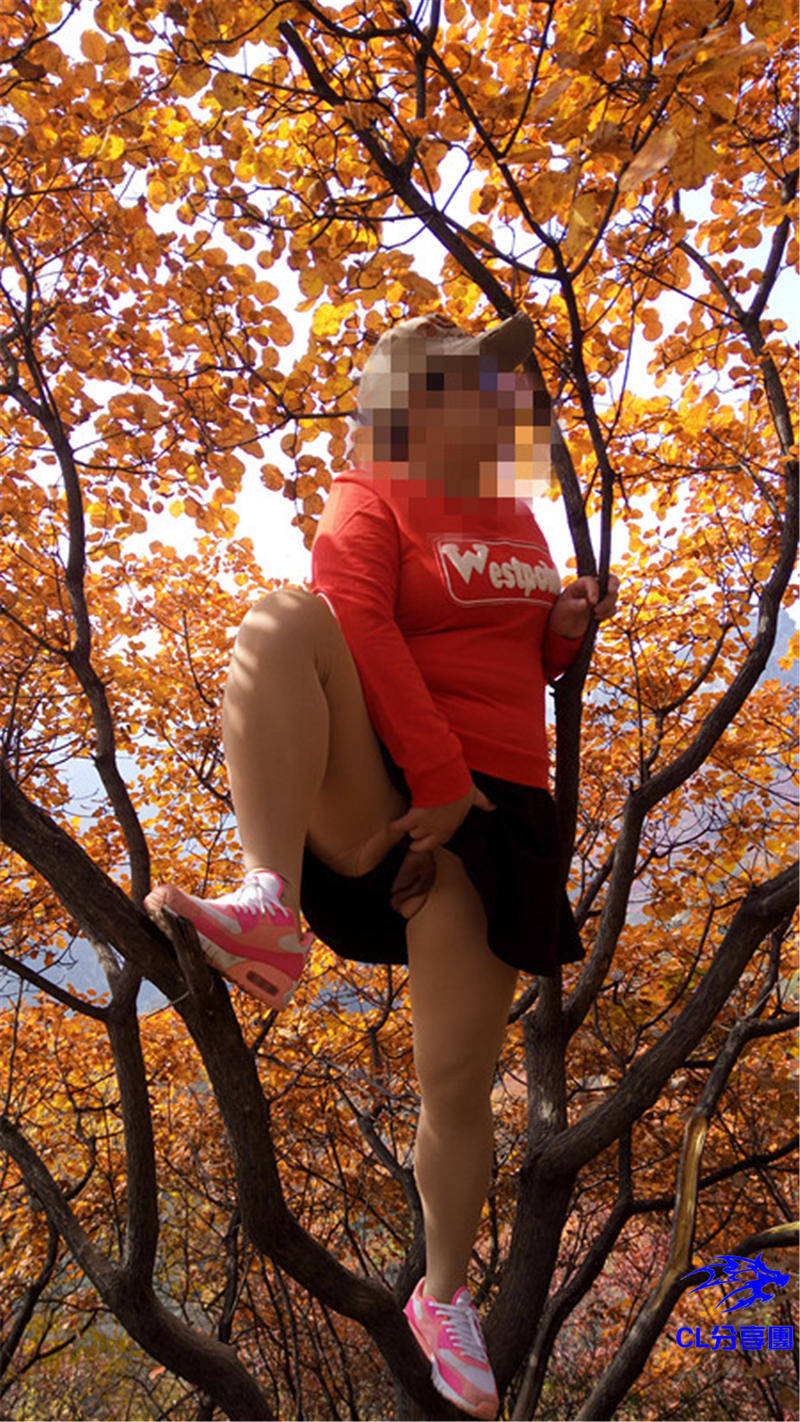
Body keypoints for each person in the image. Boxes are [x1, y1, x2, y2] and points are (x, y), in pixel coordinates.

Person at [145, 311, 619, 1420]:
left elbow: (515, 652)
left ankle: (441, 1299)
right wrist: (436, 779)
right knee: (282, 621)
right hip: (394, 776)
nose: (496, 403)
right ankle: (270, 904)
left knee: (455, 1083)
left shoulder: (515, 513)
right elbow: (356, 620)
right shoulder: (368, 495)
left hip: (503, 810)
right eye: (468, 385)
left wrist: (561, 627)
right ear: (413, 400)